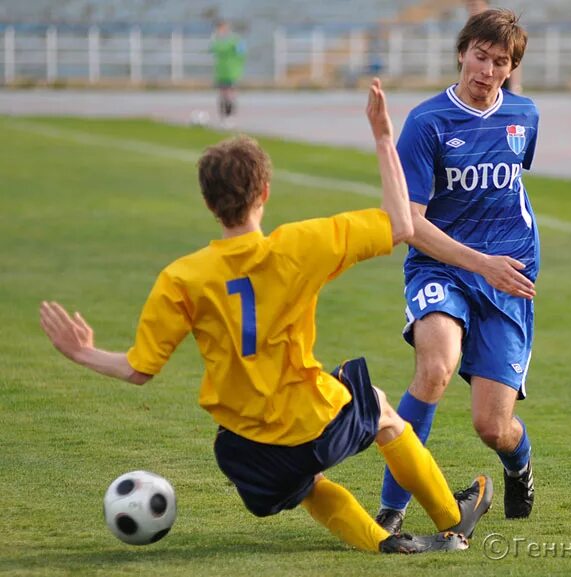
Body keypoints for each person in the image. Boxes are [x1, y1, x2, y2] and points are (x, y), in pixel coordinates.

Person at [39, 79, 493, 554]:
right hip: (308, 418)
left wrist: (82, 350)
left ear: (208, 202)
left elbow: (138, 369)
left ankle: (382, 542)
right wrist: (382, 137)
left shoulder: (182, 277)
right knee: (378, 408)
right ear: (265, 192)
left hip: (244, 448)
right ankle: (450, 516)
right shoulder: (299, 245)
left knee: (306, 485)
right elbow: (402, 224)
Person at [375, 9, 538, 534]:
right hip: (441, 266)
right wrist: (478, 263)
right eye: (480, 57)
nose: (487, 70)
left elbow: (513, 189)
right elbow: (409, 225)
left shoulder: (525, 116)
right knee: (435, 369)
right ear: (462, 53)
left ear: (511, 69)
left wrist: (499, 265)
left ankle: (520, 466)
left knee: (492, 426)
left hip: (508, 275)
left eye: (500, 62)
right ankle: (392, 510)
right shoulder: (427, 124)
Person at [465, 0, 522, 93]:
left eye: (476, 5)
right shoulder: (469, 30)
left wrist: (515, 86)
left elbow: (513, 57)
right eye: (470, 5)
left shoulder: (496, 27)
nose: (474, 9)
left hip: (500, 84)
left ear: (486, 5)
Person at [210, 20, 246, 128]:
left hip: (232, 71)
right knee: (222, 95)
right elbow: (213, 49)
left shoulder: (234, 40)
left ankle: (230, 117)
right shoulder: (217, 41)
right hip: (221, 71)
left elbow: (242, 53)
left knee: (230, 94)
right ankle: (223, 117)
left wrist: (238, 68)